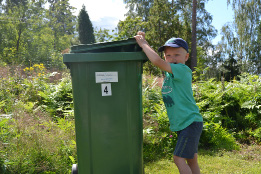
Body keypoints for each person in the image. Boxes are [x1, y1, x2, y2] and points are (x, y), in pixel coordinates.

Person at [134, 31, 203, 174]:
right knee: (192, 160)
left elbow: (157, 61)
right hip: (186, 124)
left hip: (189, 123)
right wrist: (144, 43)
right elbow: (158, 61)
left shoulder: (183, 70)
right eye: (168, 55)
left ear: (186, 56)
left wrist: (144, 44)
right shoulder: (170, 74)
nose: (171, 58)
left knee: (178, 159)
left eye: (176, 54)